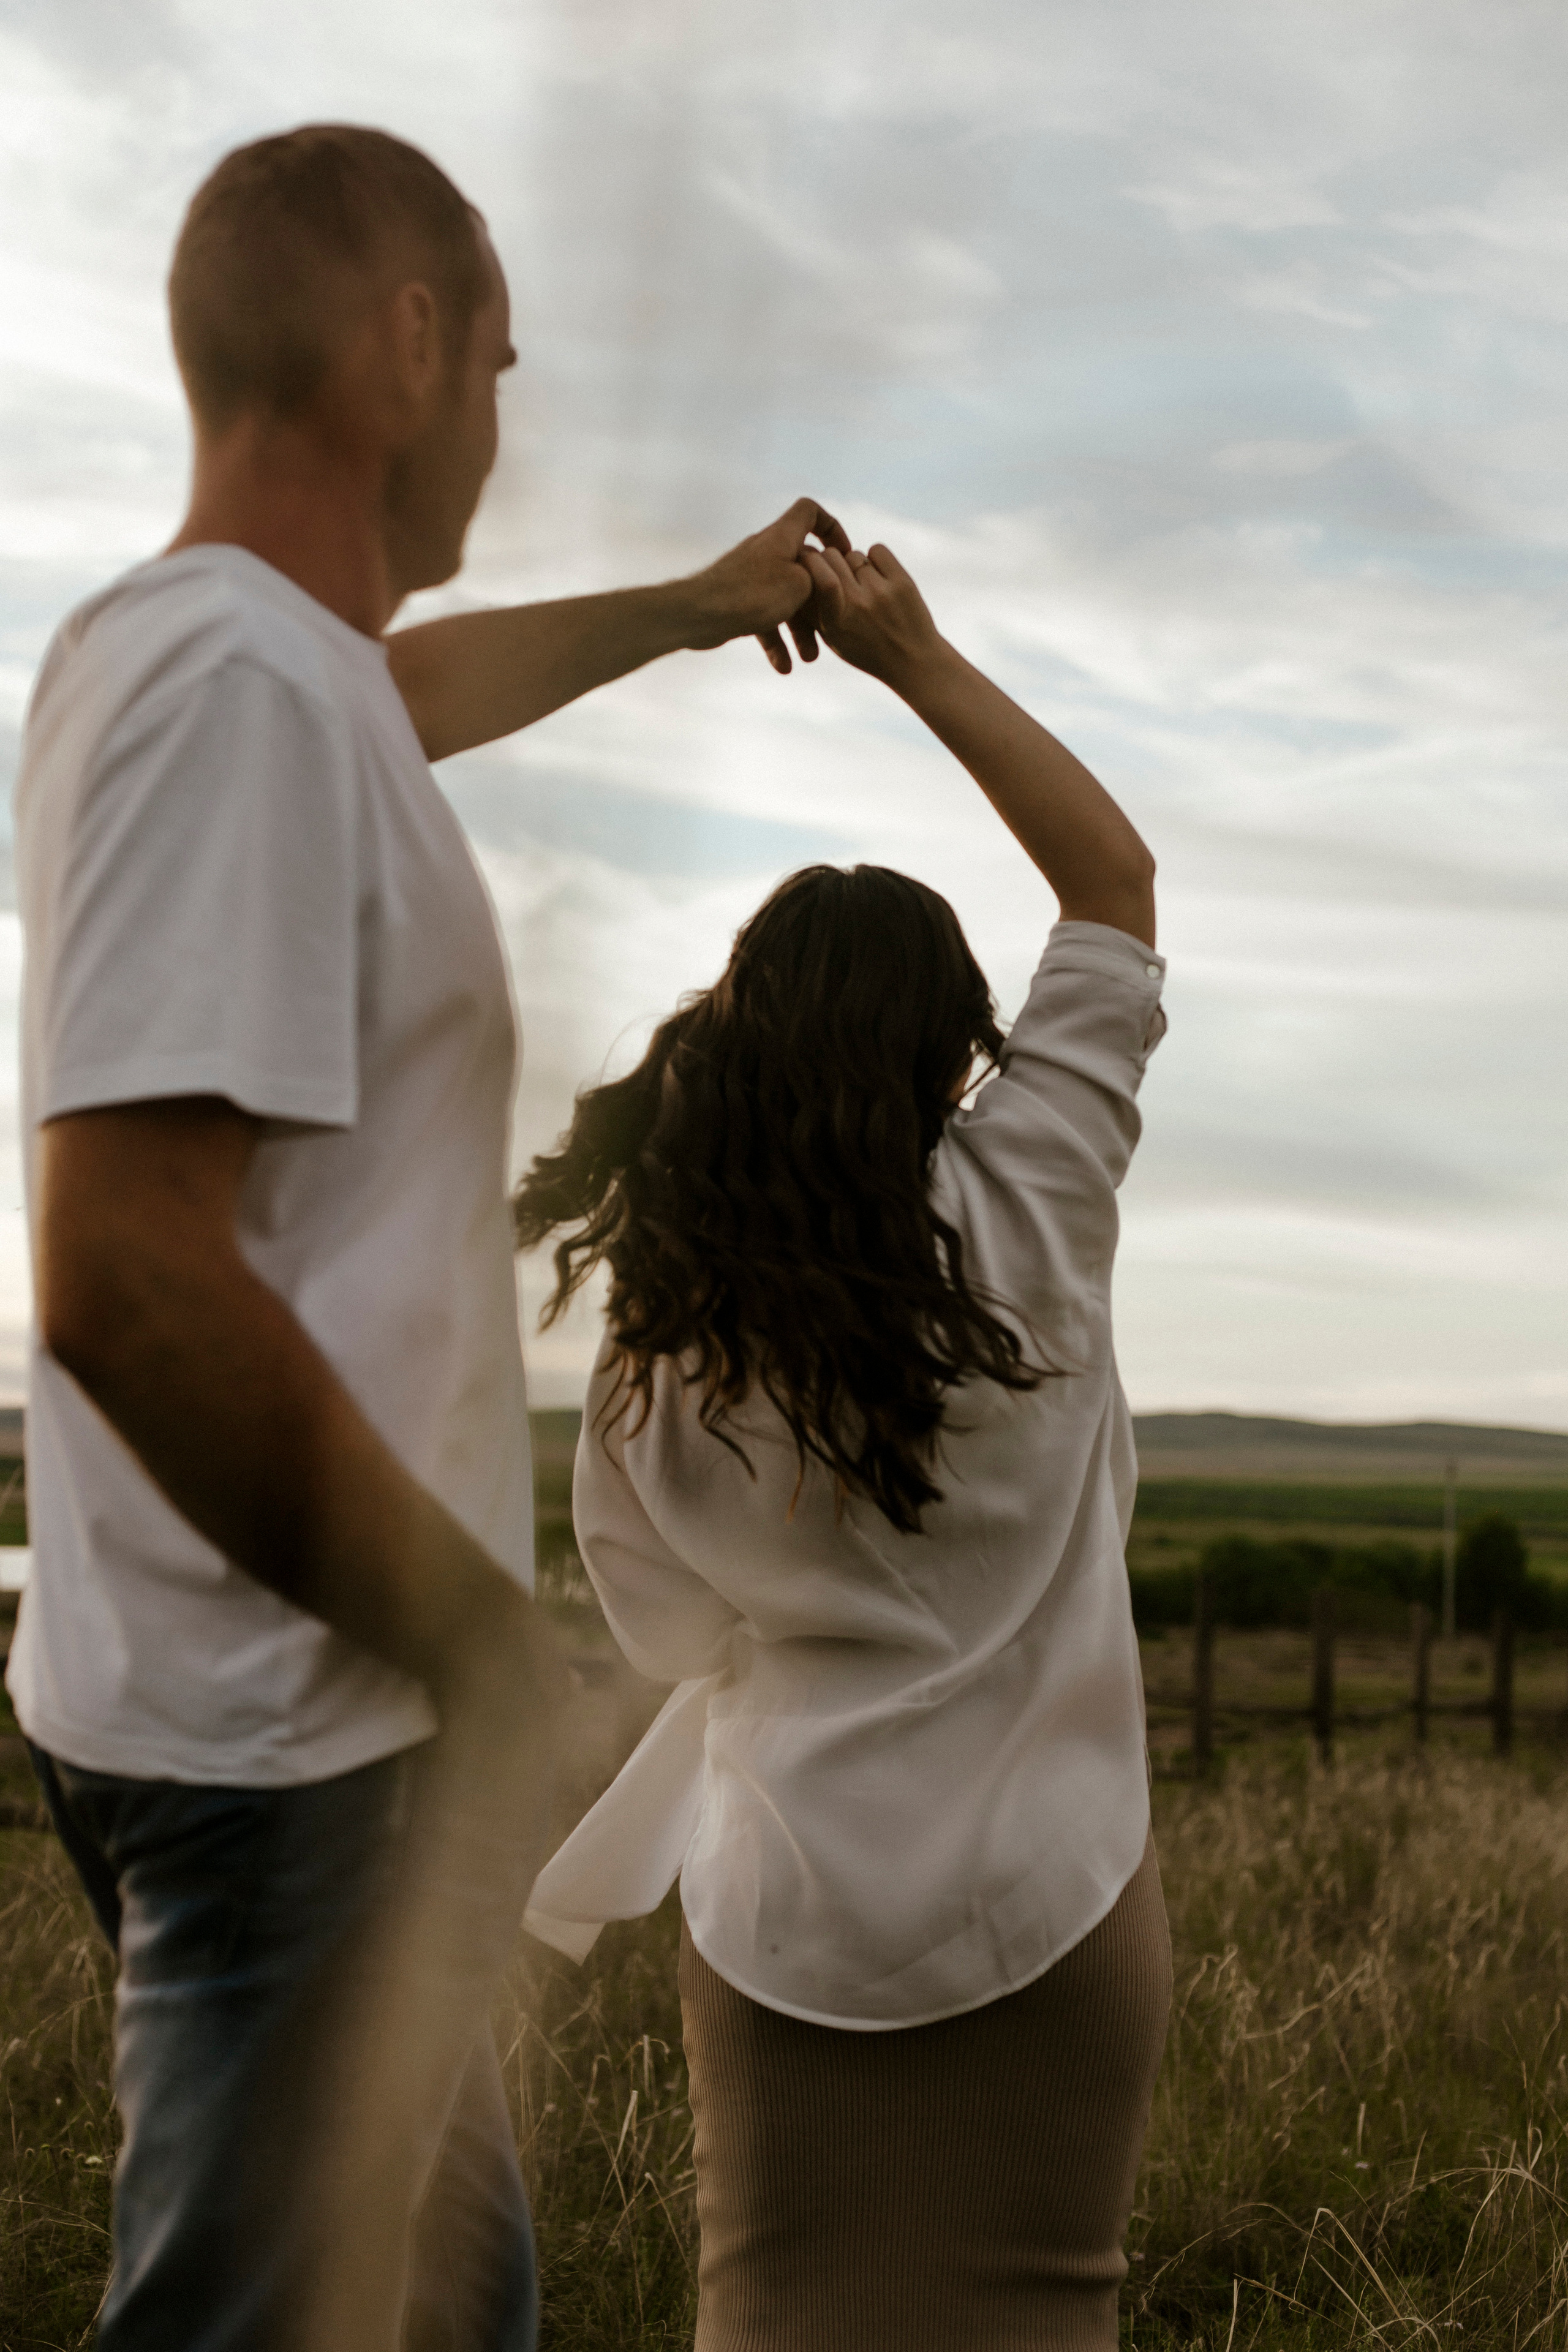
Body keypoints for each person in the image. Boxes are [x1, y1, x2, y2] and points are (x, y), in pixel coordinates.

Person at [7, 120, 848, 2352]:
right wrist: (479, 1646)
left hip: (309, 1746)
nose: (505, 418)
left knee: (458, 2312)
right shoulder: (230, 688)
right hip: (292, 1761)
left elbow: (420, 694)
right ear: (404, 346)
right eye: (497, 359)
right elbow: (122, 1279)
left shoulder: (257, 680)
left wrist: (694, 604)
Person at [518, 540, 1172, 2351]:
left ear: (739, 1039)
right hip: (1059, 1900)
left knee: (773, 2319)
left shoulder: (670, 1320)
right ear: (962, 1047)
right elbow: (1110, 878)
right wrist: (915, 654)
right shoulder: (1039, 1190)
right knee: (1053, 2314)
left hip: (781, 1914)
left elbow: (658, 1632)